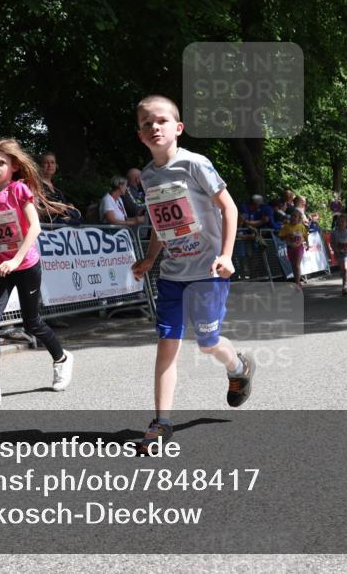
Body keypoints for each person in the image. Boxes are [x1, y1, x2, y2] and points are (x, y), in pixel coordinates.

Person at [130, 95, 254, 454]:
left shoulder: (195, 164)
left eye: (162, 121)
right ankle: (161, 422)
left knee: (207, 342)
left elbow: (228, 208)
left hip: (208, 269)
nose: (154, 127)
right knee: (167, 344)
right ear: (140, 135)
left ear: (178, 128)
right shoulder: (149, 176)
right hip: (172, 272)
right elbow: (158, 222)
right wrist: (151, 258)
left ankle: (239, 366)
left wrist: (227, 255)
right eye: (146, 123)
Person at [0, 139, 73, 407]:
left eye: (1, 163)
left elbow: (34, 228)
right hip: (2, 266)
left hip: (25, 265)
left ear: (13, 166)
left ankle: (62, 358)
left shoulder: (19, 190)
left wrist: (15, 260)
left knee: (32, 323)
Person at [36, 151, 81, 224]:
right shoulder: (35, 185)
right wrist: (55, 210)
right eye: (46, 162)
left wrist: (68, 207)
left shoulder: (57, 190)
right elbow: (35, 210)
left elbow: (64, 207)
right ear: (40, 166)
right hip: (47, 228)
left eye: (52, 162)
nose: (50, 165)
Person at [278, 208, 309, 291]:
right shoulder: (286, 227)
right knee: (293, 266)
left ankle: (297, 283)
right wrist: (287, 235)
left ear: (299, 219)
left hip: (299, 248)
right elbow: (280, 237)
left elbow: (306, 236)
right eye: (292, 216)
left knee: (297, 265)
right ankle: (297, 282)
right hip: (290, 248)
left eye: (295, 216)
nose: (293, 218)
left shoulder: (301, 227)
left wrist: (308, 245)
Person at [331, 213, 347, 296]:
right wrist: (335, 250)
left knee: (345, 268)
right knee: (343, 270)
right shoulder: (334, 233)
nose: (341, 223)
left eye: (343, 222)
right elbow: (332, 243)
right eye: (339, 222)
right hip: (339, 254)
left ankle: (344, 287)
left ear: (346, 223)